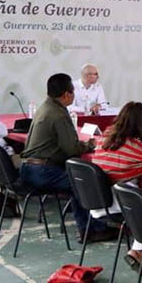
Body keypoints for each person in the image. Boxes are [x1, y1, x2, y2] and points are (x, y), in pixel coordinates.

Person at [19, 73, 117, 243]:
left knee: (77, 178)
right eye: (73, 92)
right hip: (42, 172)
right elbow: (71, 149)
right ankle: (91, 229)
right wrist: (91, 144)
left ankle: (92, 225)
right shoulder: (58, 114)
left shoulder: (45, 107)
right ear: (66, 94)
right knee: (82, 182)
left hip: (29, 168)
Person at [92, 102, 142, 279]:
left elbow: (138, 165)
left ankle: (139, 253)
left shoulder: (107, 136)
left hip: (99, 200)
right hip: (118, 202)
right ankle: (140, 253)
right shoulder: (132, 146)